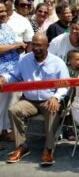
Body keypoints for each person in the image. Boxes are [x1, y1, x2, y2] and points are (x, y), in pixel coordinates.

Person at [0, 33, 69, 166]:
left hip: (49, 100)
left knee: (53, 110)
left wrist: (56, 97)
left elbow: (65, 85)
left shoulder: (58, 63)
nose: (35, 48)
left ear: (47, 46)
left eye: (39, 45)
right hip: (29, 101)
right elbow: (14, 76)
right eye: (33, 44)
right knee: (14, 110)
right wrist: (3, 78)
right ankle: (21, 147)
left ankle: (48, 150)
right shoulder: (24, 59)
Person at [0, 0, 27, 149]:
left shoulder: (6, 26)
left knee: (8, 103)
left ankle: (4, 131)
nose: (3, 14)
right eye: (0, 12)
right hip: (1, 73)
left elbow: (11, 44)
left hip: (13, 71)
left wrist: (19, 47)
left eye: (4, 10)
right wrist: (14, 46)